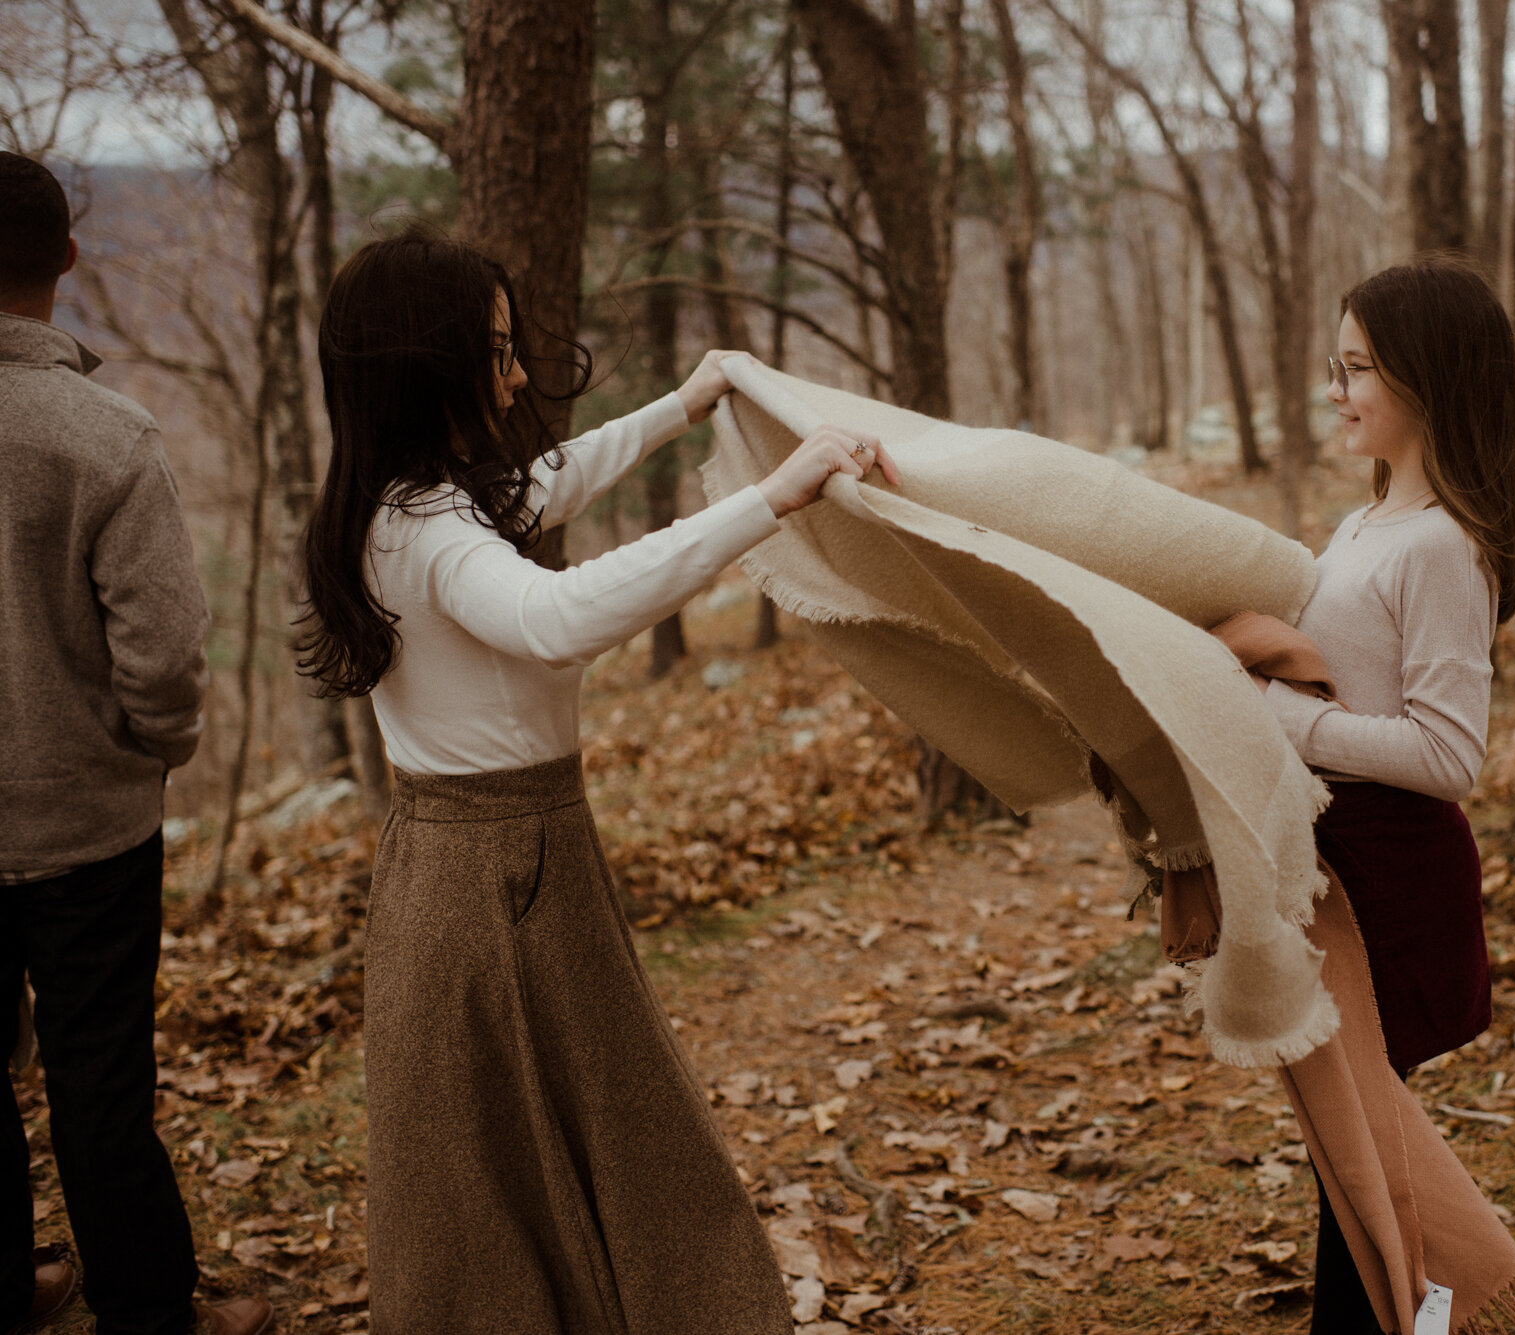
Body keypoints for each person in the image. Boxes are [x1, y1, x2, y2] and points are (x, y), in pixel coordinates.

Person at [296, 228, 896, 1332]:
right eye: (495, 350)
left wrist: (682, 404)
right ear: (425, 364)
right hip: (491, 883)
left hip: (480, 870)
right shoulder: (422, 526)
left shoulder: (406, 500)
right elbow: (556, 619)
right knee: (578, 1151)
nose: (518, 373)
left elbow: (542, 486)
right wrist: (774, 498)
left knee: (556, 1153)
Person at [0, 153, 272, 1335]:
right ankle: (149, 1310)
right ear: (67, 258)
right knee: (97, 1081)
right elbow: (160, 657)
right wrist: (154, 750)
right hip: (88, 827)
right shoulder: (106, 436)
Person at [1258, 255, 1515, 1335]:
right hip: (1340, 864)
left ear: (1424, 378)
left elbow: (1449, 755)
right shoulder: (1368, 520)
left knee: (1367, 1155)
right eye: (1335, 366)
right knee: (1353, 1153)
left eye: (1358, 369)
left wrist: (1297, 726)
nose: (1337, 390)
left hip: (1394, 880)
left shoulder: (1441, 548)